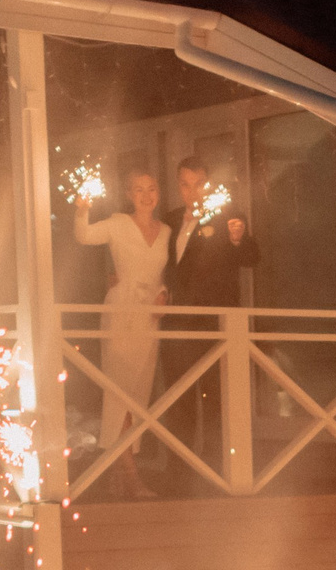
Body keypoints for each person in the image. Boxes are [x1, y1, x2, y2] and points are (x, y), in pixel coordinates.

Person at [159, 156, 261, 468]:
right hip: (178, 321)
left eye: (199, 184)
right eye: (186, 185)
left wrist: (236, 238)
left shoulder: (226, 215)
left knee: (216, 395)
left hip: (215, 321)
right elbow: (162, 266)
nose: (193, 192)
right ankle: (180, 467)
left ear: (208, 185)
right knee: (179, 396)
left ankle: (218, 467)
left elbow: (252, 257)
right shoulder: (171, 220)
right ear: (179, 186)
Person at [73, 168, 170, 480]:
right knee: (120, 390)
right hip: (120, 312)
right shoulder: (117, 224)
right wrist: (82, 210)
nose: (146, 196)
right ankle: (130, 474)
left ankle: (120, 468)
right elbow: (84, 236)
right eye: (138, 189)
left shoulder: (166, 231)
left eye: (151, 188)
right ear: (129, 195)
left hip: (148, 317)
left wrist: (165, 294)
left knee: (139, 391)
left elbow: (162, 275)